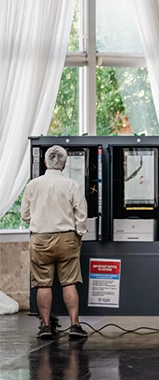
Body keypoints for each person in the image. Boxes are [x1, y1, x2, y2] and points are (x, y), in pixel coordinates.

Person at [21, 145, 89, 339]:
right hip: (67, 238)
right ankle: (75, 325)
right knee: (69, 283)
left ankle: (45, 326)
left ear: (45, 162)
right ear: (65, 164)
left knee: (43, 284)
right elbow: (81, 214)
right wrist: (80, 234)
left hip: (40, 238)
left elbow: (25, 214)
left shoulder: (32, 185)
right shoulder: (71, 184)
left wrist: (38, 222)